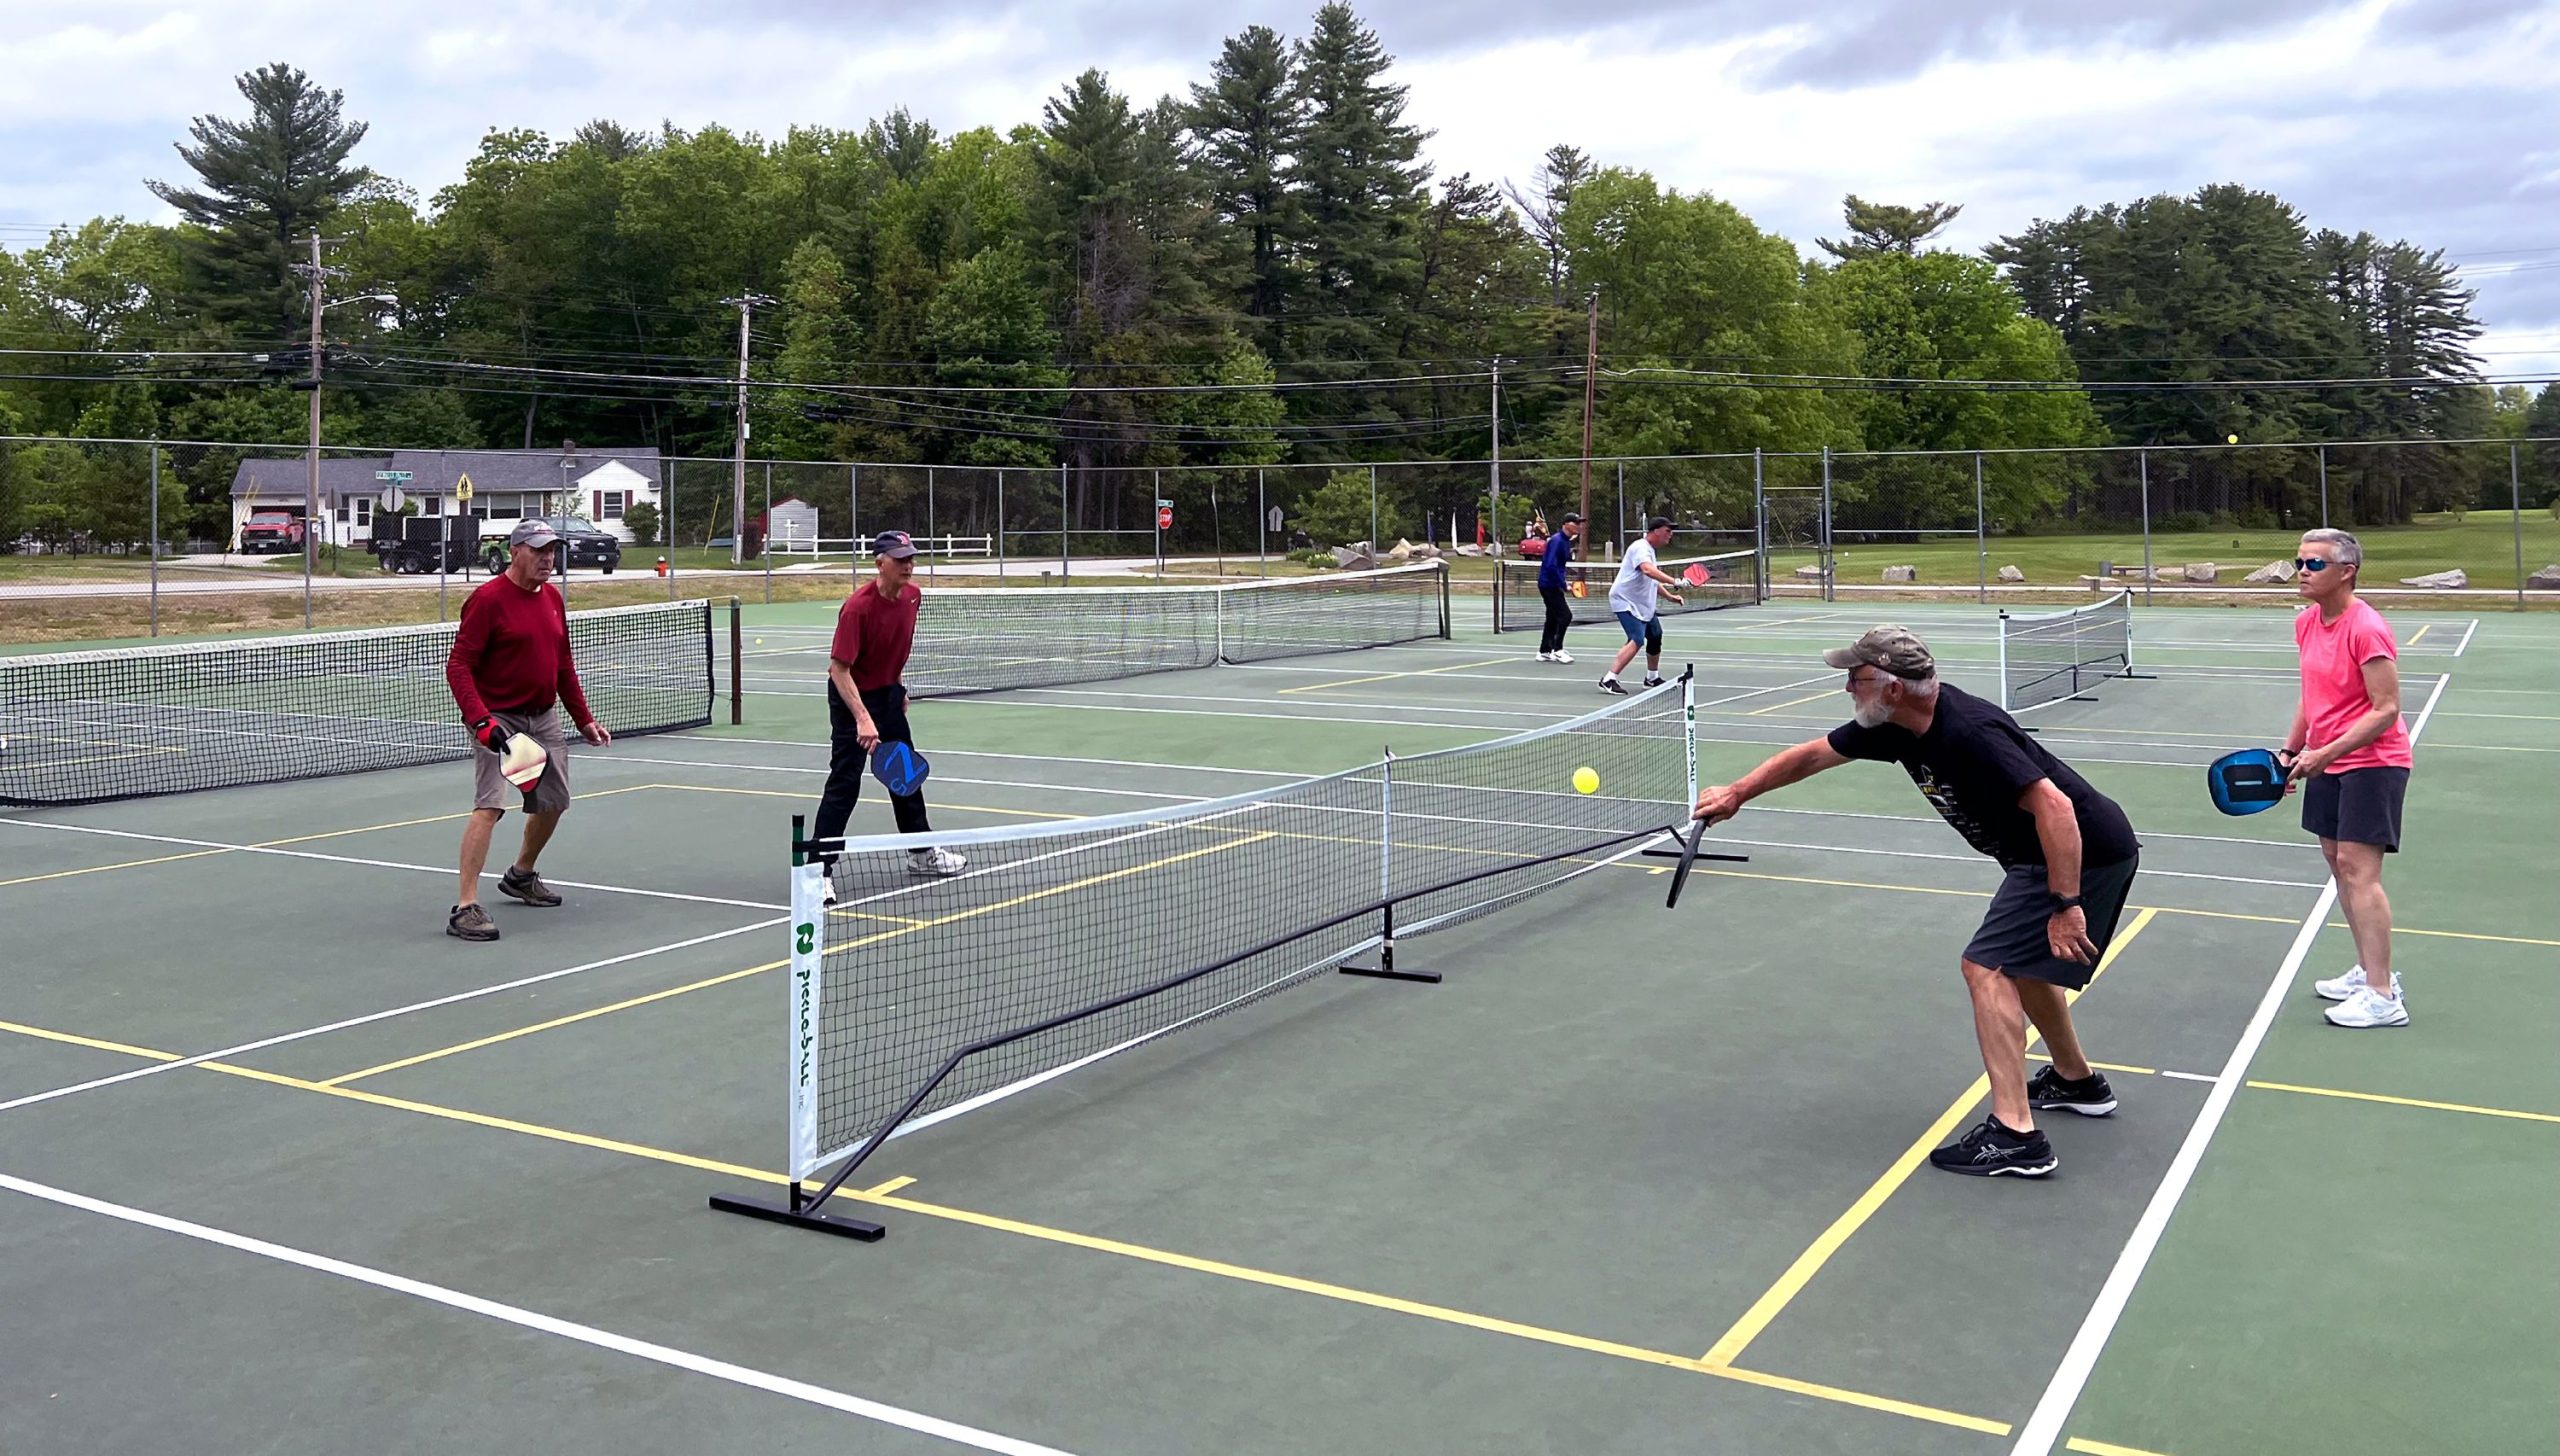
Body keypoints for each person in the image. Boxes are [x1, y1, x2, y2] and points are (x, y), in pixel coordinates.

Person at [1692, 626, 2142, 1178]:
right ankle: (2077, 1082)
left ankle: (2015, 1136)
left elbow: (2055, 807)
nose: (1847, 690)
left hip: (2080, 852)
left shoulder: (1969, 733)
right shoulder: (1894, 727)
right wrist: (1737, 793)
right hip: (2053, 854)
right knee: (2018, 967)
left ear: (1894, 688)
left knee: (1986, 967)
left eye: (1855, 679)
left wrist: (2066, 903)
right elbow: (1811, 757)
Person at [443, 519, 612, 942]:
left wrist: (584, 719)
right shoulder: (487, 600)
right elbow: (459, 665)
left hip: (544, 717)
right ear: (515, 551)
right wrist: (483, 721)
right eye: (539, 550)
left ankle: (520, 874)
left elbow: (562, 666)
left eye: (552, 550)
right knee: (491, 805)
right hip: (498, 718)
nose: (548, 558)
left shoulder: (553, 597)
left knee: (553, 802)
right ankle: (464, 907)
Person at [2284, 528, 2413, 1028]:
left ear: (2346, 571)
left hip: (2373, 763)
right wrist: (2291, 750)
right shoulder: (2307, 624)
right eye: (2299, 562)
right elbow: (2311, 696)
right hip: (2327, 760)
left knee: (2361, 871)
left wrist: (2325, 753)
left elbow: (2386, 709)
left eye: (2313, 564)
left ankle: (2383, 995)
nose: (2301, 572)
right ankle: (2366, 970)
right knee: (2340, 865)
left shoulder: (2367, 628)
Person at [812, 529, 964, 899]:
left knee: (905, 774)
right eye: (900, 559)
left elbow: (895, 646)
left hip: (887, 694)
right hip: (852, 698)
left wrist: (898, 686)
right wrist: (863, 718)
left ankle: (921, 852)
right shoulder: (857, 608)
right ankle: (818, 870)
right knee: (845, 782)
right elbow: (839, 669)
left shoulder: (913, 597)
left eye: (911, 557)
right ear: (880, 563)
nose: (908, 565)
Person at [1597, 517, 1685, 695]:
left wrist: (1669, 596)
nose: (1670, 535)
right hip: (1625, 601)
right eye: (1667, 531)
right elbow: (1647, 570)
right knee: (1636, 639)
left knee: (1655, 635)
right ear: (1655, 531)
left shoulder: (1650, 551)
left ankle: (1652, 678)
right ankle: (1608, 679)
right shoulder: (1640, 548)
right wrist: (1674, 581)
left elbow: (1651, 579)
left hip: (1642, 604)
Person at [1534, 511, 1584, 664]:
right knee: (1565, 616)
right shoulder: (1557, 541)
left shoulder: (1565, 541)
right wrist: (1563, 585)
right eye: (1575, 523)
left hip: (1552, 583)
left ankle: (1544, 651)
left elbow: (1558, 566)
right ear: (1566, 524)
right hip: (1548, 585)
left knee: (1552, 617)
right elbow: (1550, 565)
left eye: (1580, 523)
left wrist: (1564, 581)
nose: (1579, 526)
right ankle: (1557, 650)